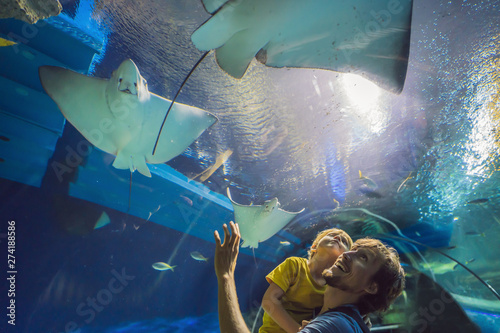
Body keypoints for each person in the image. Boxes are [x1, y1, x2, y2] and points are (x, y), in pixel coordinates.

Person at [214, 222, 405, 333]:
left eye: (362, 257)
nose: (346, 254)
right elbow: (269, 301)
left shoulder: (333, 325)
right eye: (353, 250)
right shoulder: (345, 320)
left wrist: (225, 275)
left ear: (371, 287)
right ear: (313, 247)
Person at [260, 228, 353, 333]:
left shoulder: (333, 287)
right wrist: (298, 331)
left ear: (343, 259)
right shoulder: (294, 264)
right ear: (314, 247)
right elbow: (269, 301)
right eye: (332, 235)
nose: (337, 237)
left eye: (344, 241)